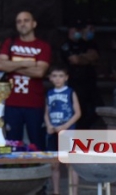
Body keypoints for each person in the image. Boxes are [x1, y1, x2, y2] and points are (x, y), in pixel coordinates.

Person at [0, 10, 51, 149]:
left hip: (34, 103)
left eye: (26, 20)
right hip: (12, 102)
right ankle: (15, 170)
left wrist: (12, 66)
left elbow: (39, 72)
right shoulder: (10, 43)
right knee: (12, 144)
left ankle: (40, 170)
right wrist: (26, 63)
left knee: (37, 143)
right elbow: (1, 65)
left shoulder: (42, 46)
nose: (22, 24)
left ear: (34, 24)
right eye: (19, 21)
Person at [44, 65, 81, 195]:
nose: (58, 79)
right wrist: (49, 125)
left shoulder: (70, 92)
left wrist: (65, 126)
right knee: (54, 164)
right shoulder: (49, 93)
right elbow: (46, 113)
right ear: (50, 78)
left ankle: (73, 191)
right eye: (54, 76)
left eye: (60, 76)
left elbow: (77, 113)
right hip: (53, 132)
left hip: (67, 132)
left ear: (66, 78)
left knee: (70, 163)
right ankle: (56, 191)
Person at [60, 20, 101, 129]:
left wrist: (82, 57)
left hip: (90, 82)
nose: (80, 32)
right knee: (79, 110)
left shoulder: (87, 43)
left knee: (97, 109)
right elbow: (75, 60)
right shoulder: (66, 45)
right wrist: (86, 58)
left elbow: (95, 57)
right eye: (77, 29)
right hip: (75, 83)